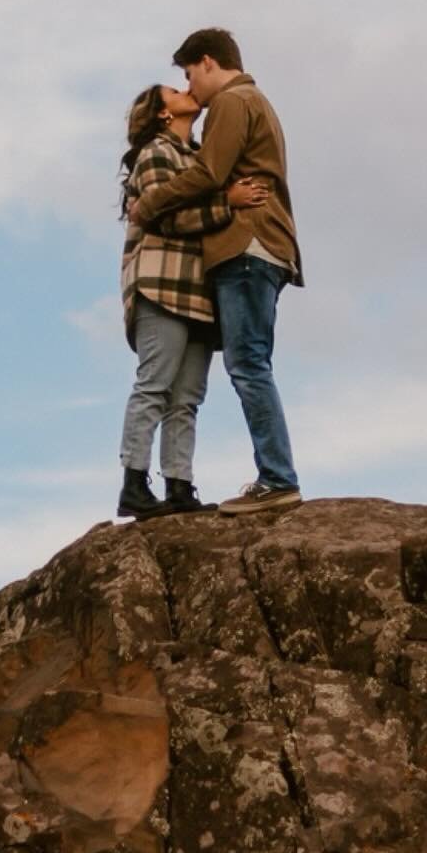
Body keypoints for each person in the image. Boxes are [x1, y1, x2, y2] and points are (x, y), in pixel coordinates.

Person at [126, 29, 303, 516]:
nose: (191, 88)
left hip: (246, 243)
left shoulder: (232, 101)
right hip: (261, 244)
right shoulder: (252, 101)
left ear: (207, 63)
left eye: (188, 75)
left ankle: (277, 478)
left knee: (247, 365)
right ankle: (275, 475)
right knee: (249, 363)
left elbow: (208, 173)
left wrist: (149, 204)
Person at [117, 82, 269, 520]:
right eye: (174, 91)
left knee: (186, 397)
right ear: (163, 114)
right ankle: (134, 481)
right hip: (162, 285)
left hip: (199, 291)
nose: (186, 90)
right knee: (154, 385)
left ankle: (179, 485)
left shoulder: (200, 158)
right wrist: (228, 203)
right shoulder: (155, 154)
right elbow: (169, 218)